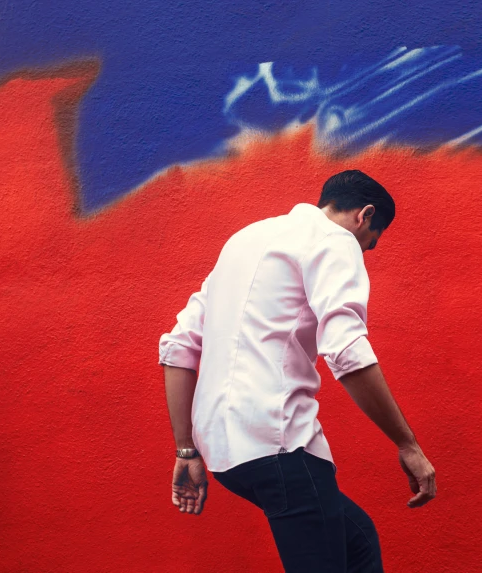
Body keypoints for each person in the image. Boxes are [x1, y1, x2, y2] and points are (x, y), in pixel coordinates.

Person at [159, 170, 436, 572]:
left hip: (225, 458)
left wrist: (186, 448)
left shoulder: (244, 240)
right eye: (369, 243)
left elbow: (178, 346)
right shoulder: (335, 240)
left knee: (357, 541)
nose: (364, 252)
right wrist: (408, 444)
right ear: (364, 215)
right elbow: (345, 350)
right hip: (280, 447)